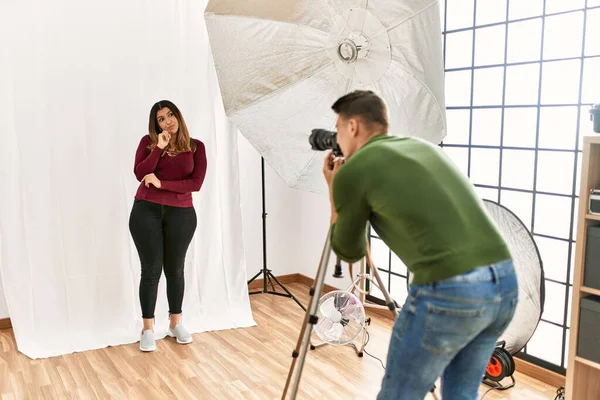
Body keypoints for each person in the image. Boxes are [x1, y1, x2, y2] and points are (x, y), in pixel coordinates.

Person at [322, 90, 518, 399]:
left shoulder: (355, 170)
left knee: (398, 395)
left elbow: (350, 250)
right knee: (460, 395)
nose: (337, 137)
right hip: (505, 284)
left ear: (353, 126)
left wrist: (335, 190)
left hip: (452, 291)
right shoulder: (423, 148)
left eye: (338, 128)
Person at [129, 100, 207, 352]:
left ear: (178, 116)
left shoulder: (196, 147)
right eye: (161, 119)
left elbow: (195, 183)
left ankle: (175, 323)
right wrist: (159, 148)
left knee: (175, 269)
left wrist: (162, 184)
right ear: (156, 124)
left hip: (181, 214)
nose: (167, 121)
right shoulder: (148, 142)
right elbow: (140, 172)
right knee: (151, 270)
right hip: (146, 211)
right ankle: (148, 328)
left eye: (170, 115)